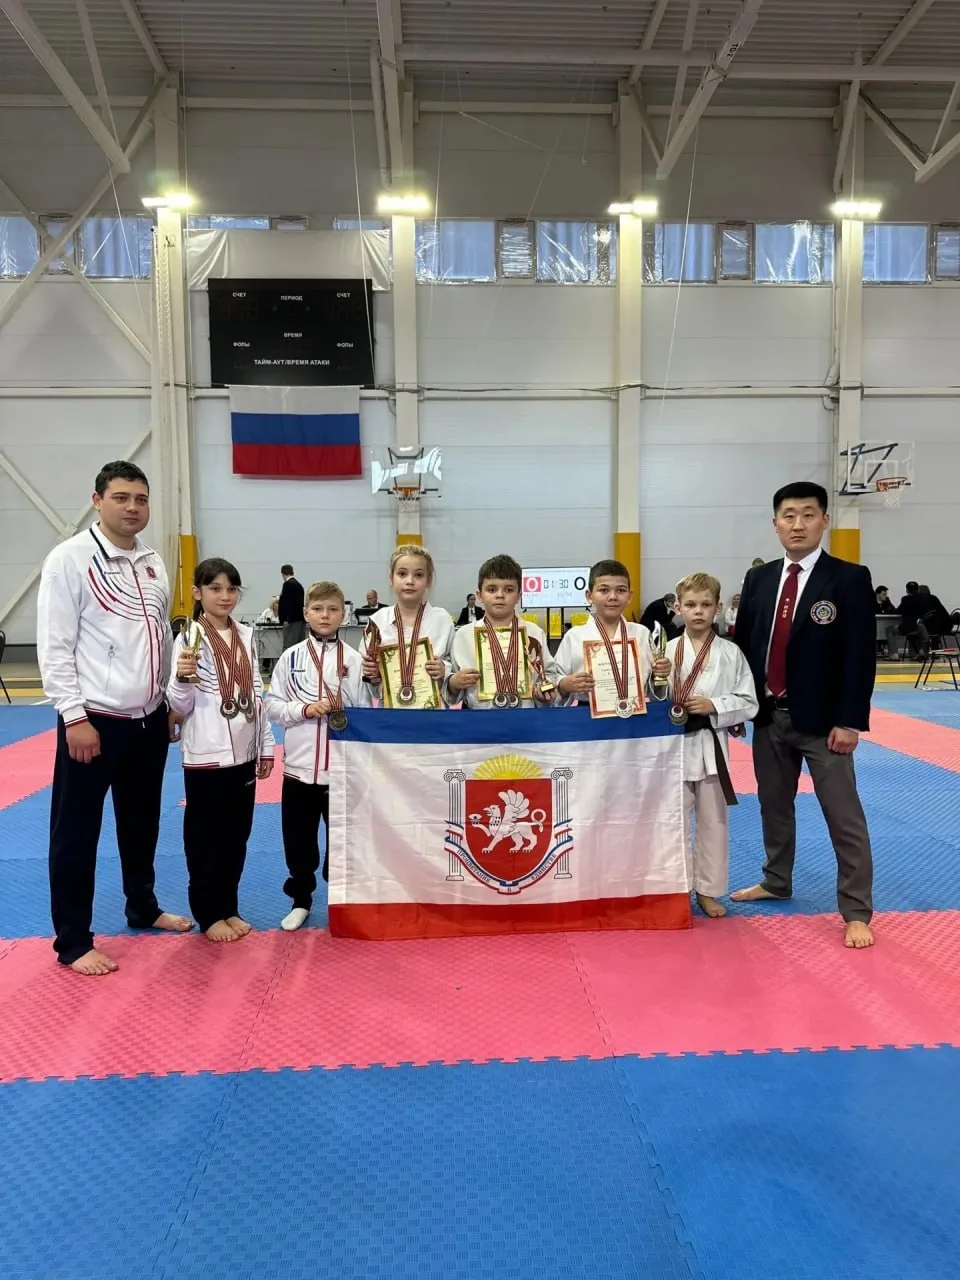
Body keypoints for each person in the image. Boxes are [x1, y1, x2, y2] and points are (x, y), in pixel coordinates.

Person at [37, 459, 192, 976]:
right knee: (77, 833)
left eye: (141, 499)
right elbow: (55, 646)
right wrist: (73, 716)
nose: (132, 507)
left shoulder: (152, 562)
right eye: (121, 497)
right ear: (97, 500)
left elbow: (161, 640)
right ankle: (73, 941)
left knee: (141, 824)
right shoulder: (69, 560)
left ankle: (142, 906)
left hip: (148, 720)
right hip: (94, 721)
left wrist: (167, 701)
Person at [731, 481, 876, 949]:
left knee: (843, 816)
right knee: (773, 806)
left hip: (825, 722)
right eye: (788, 515)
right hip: (768, 715)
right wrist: (739, 703)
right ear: (775, 524)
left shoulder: (848, 578)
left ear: (824, 521)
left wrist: (850, 721)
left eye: (808, 514)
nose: (798, 524)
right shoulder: (759, 579)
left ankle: (856, 910)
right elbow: (745, 648)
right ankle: (776, 880)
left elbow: (860, 656)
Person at [168, 558, 275, 943]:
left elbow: (257, 694)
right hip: (207, 755)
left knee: (236, 836)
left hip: (244, 753)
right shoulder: (190, 637)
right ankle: (208, 912)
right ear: (198, 593)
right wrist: (182, 679)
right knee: (205, 839)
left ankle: (229, 906)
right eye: (215, 588)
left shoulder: (246, 634)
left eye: (231, 589)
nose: (224, 596)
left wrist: (265, 745)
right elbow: (178, 704)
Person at [265, 580, 370, 931]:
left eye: (333, 609)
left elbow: (367, 709)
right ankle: (301, 900)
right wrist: (305, 709)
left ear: (344, 615)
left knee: (343, 842)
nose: (325, 616)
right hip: (299, 769)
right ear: (306, 613)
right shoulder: (290, 658)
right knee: (299, 842)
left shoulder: (355, 661)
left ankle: (341, 900)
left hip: (341, 770)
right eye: (318, 609)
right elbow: (273, 706)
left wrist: (348, 711)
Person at [667, 574, 758, 919]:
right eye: (690, 605)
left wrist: (715, 705)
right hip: (673, 748)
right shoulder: (665, 651)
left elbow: (749, 701)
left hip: (711, 746)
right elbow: (649, 694)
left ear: (717, 608)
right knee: (673, 822)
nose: (698, 611)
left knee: (713, 823)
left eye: (706, 605)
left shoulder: (731, 653)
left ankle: (707, 891)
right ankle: (676, 889)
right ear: (678, 608)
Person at [446, 556, 557, 708]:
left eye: (509, 590)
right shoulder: (463, 635)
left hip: (526, 716)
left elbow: (549, 674)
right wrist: (454, 682)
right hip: (478, 717)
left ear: (518, 596)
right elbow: (451, 685)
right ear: (479, 595)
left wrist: (543, 690)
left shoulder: (534, 633)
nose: (500, 595)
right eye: (492, 589)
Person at [555, 559, 671, 704]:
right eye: (604, 590)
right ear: (589, 596)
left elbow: (652, 687)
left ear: (630, 596)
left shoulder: (641, 633)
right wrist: (564, 684)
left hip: (634, 710)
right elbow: (555, 678)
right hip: (586, 712)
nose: (613, 597)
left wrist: (659, 674)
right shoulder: (574, 636)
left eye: (621, 590)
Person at [360, 546, 453, 702]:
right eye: (402, 574)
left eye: (418, 575)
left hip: (433, 712)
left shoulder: (442, 620)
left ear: (429, 581)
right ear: (391, 578)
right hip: (390, 712)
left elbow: (457, 673)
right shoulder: (377, 622)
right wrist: (373, 676)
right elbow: (368, 685)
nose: (410, 581)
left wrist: (445, 670)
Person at [278, 564, 306, 650]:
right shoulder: (299, 585)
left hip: (291, 621)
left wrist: (285, 619)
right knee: (299, 646)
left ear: (283, 574)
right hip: (301, 619)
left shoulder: (287, 584)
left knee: (289, 646)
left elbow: (287, 603)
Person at [875, 585, 897, 659]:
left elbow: (893, 610)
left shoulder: (887, 601)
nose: (885, 596)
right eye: (883, 594)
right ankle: (877, 648)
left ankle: (881, 649)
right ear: (878, 594)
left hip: (884, 624)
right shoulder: (871, 601)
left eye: (886, 594)